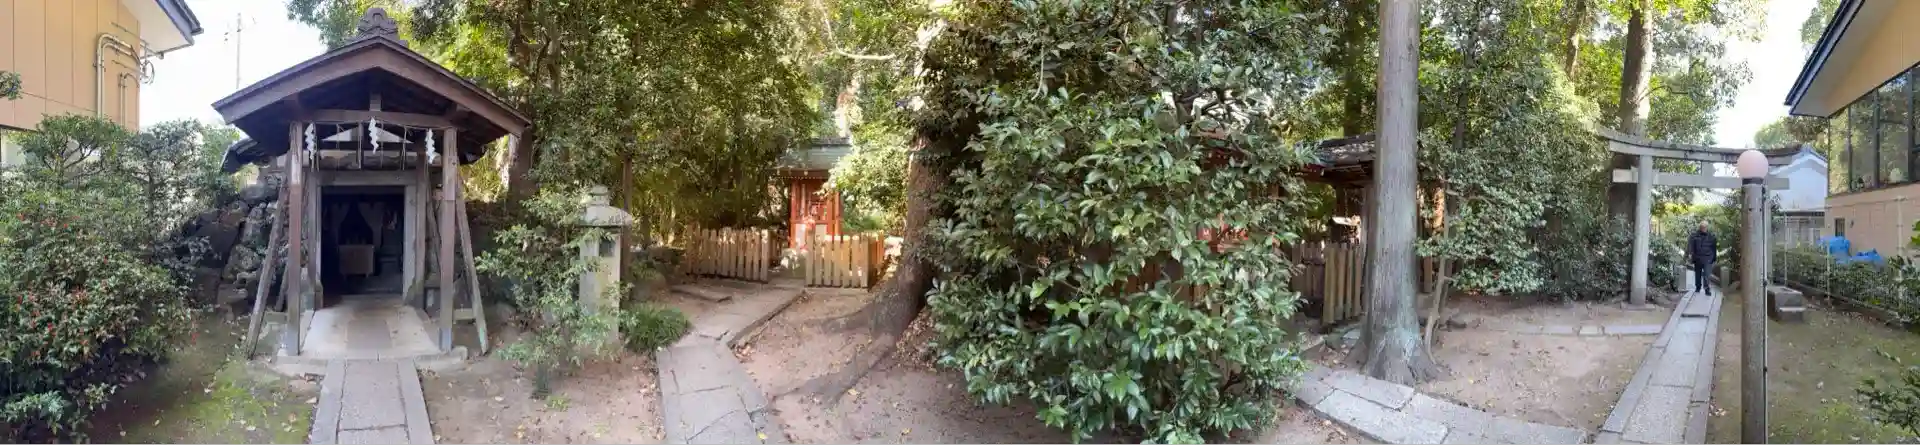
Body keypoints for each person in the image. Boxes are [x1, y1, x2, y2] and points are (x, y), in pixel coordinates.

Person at [1687, 221, 1718, 296]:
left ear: (1707, 227)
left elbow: (1714, 248)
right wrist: (1690, 254)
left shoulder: (1711, 236)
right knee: (1698, 274)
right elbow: (1691, 245)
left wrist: (1714, 258)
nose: (1703, 228)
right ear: (1700, 227)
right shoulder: (1694, 235)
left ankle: (1707, 289)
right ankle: (1698, 287)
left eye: (1704, 227)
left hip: (1708, 258)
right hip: (1697, 258)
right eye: (1702, 227)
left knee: (1707, 274)